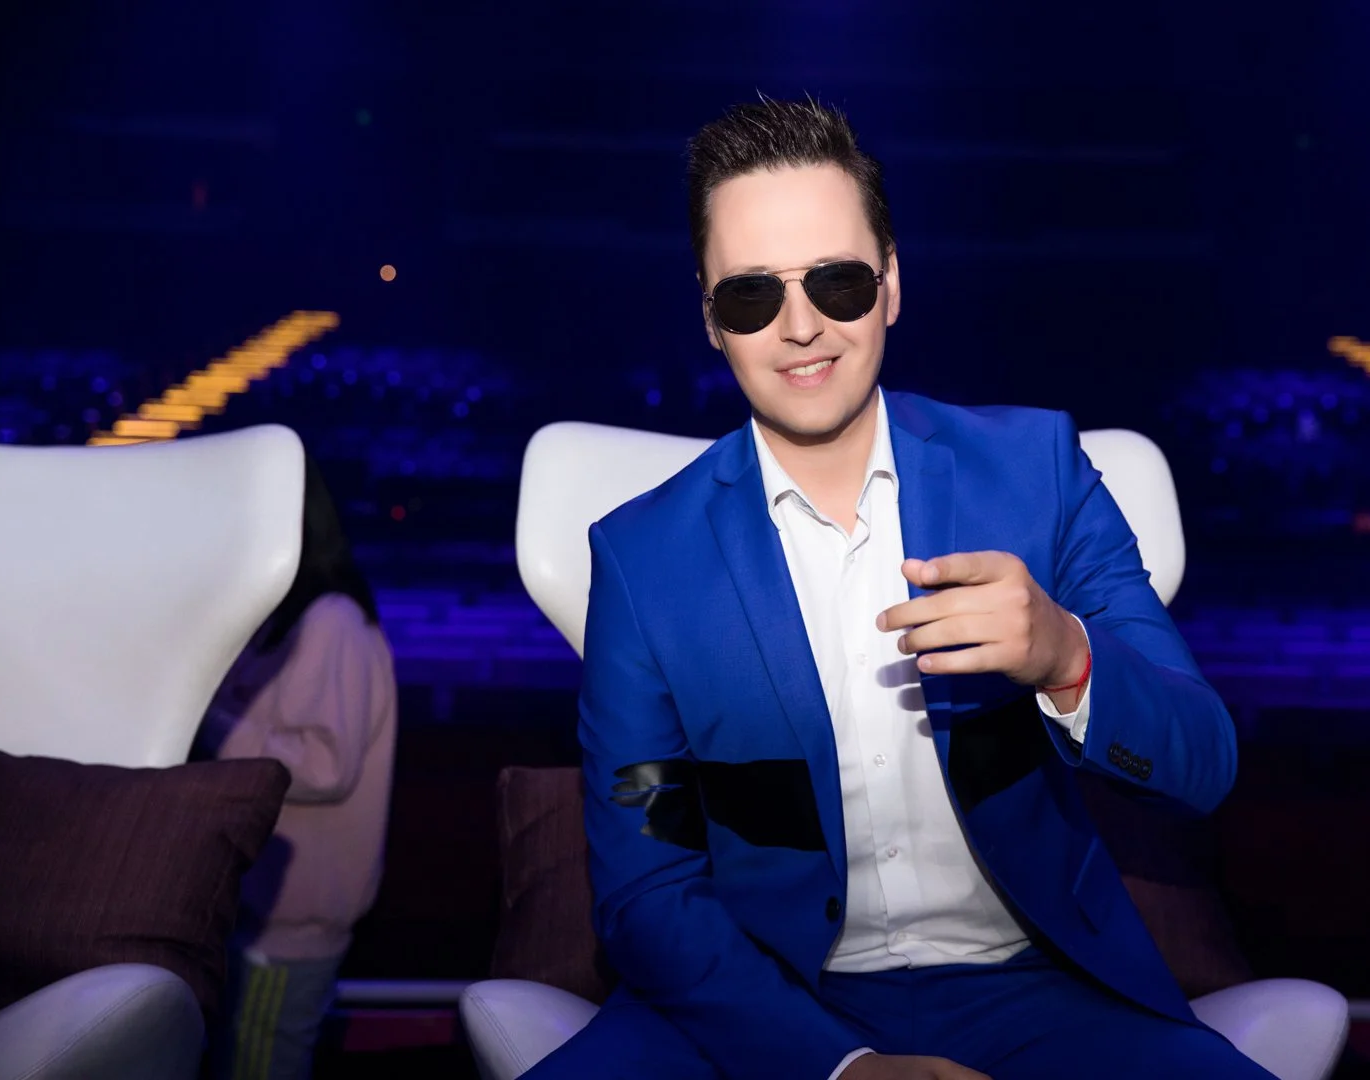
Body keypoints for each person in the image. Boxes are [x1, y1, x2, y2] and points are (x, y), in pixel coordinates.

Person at [529, 97, 1270, 1080]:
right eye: (751, 297)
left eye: (836, 282)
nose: (801, 327)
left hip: (1038, 989)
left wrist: (1066, 656)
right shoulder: (642, 558)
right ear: (710, 319)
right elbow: (646, 887)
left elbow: (1202, 762)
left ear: (890, 286)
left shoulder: (1037, 471)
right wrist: (841, 1066)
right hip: (754, 1000)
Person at [198, 455, 398, 1080]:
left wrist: (213, 723)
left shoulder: (330, 622)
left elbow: (323, 765)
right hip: (264, 915)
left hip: (287, 925)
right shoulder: (289, 622)